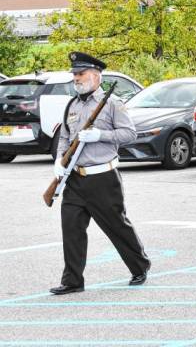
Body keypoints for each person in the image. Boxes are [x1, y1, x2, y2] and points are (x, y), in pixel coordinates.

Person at [50, 52, 150, 295]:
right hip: (75, 178)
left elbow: (129, 134)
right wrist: (59, 160)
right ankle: (73, 280)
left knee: (116, 226)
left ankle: (139, 266)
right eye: (74, 74)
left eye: (81, 74)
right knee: (71, 229)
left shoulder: (112, 103)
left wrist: (100, 135)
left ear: (95, 76)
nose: (76, 78)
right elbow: (65, 136)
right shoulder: (72, 105)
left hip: (103, 178)